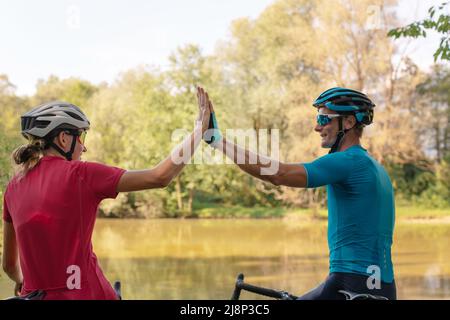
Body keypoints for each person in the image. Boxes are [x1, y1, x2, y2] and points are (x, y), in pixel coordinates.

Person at [1, 87, 212, 300]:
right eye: (81, 136)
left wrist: (23, 282)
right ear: (64, 138)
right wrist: (199, 130)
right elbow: (159, 176)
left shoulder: (12, 187)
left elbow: (9, 265)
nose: (84, 148)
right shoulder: (80, 174)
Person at [202, 87, 396, 300]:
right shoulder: (376, 168)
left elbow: (279, 174)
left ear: (349, 122)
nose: (316, 127)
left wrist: (217, 141)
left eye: (324, 119)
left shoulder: (347, 162)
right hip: (382, 287)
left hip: (351, 286)